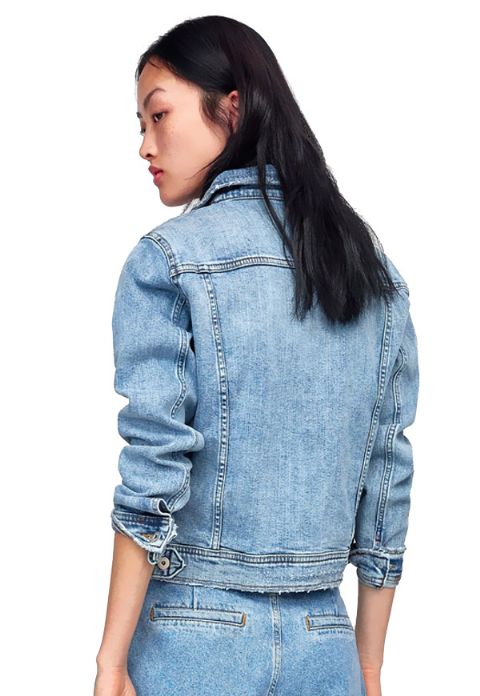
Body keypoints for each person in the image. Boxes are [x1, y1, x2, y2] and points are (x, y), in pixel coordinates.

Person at [94, 15, 420, 696]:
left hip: (192, 642)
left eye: (159, 115)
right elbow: (387, 478)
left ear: (232, 108)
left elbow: (154, 466)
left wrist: (110, 661)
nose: (145, 145)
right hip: (325, 643)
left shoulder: (169, 260)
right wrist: (367, 667)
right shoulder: (370, 271)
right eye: (141, 125)